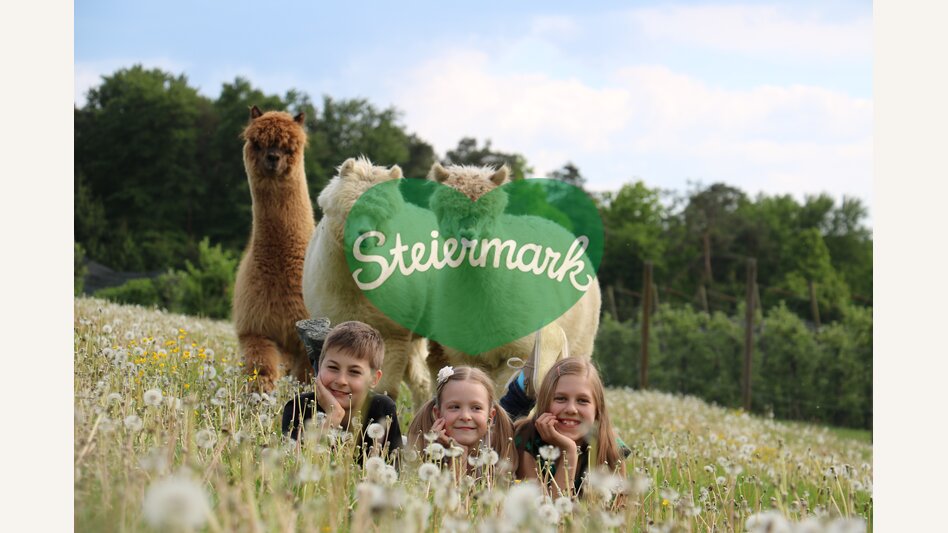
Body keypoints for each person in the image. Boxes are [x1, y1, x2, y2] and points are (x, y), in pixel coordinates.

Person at [281, 321, 401, 462]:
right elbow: (293, 465)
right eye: (333, 367)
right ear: (319, 366)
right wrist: (333, 417)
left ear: (374, 379)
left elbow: (393, 470)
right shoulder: (298, 407)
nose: (341, 380)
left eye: (354, 372)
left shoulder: (382, 409)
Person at [513, 357, 630, 498]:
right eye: (560, 398)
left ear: (598, 409)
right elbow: (545, 513)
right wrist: (569, 452)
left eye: (582, 401)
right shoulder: (526, 440)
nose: (571, 409)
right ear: (544, 402)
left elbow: (621, 509)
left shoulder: (611, 445)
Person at [407, 365, 517, 474]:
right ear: (438, 414)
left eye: (476, 408)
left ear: (491, 417)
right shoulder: (424, 452)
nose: (465, 416)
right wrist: (459, 454)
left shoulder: (499, 448)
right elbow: (450, 491)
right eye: (455, 407)